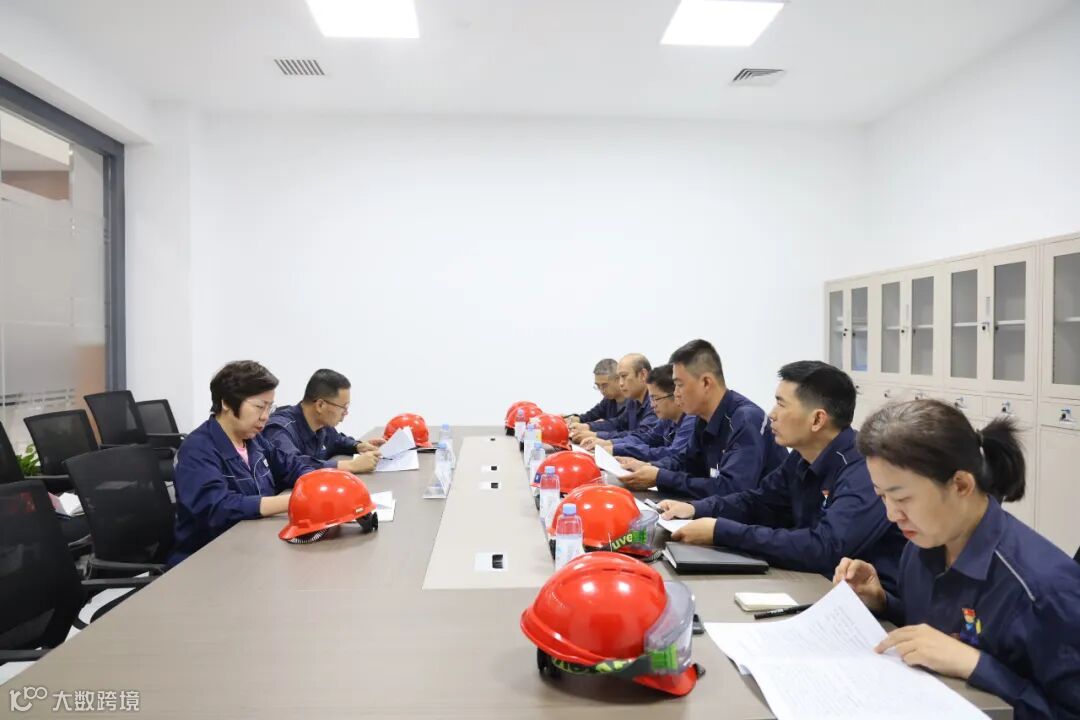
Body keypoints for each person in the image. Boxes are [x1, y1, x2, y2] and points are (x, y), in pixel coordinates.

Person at [834, 399, 1080, 719]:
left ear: (961, 485)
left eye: (903, 498)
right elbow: (931, 628)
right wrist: (882, 602)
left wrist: (975, 664)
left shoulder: (1042, 589)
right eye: (882, 497)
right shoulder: (922, 546)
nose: (892, 514)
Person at [658, 361, 906, 591]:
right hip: (814, 582)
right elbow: (759, 501)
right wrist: (696, 509)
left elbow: (825, 548)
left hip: (868, 605)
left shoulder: (861, 468)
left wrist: (721, 531)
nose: (772, 414)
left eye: (781, 404)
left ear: (817, 419)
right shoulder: (801, 457)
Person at [169, 361, 318, 566]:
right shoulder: (197, 449)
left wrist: (315, 482)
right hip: (205, 560)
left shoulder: (253, 440)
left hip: (250, 547)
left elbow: (290, 465)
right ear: (226, 403)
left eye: (270, 407)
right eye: (259, 407)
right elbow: (218, 508)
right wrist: (293, 501)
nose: (265, 417)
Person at [618, 339, 786, 499]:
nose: (676, 393)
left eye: (679, 385)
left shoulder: (745, 420)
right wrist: (649, 467)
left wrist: (660, 477)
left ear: (706, 382)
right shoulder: (703, 417)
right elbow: (687, 461)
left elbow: (732, 490)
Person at [264, 369, 382, 474]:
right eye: (343, 407)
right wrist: (351, 466)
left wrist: (358, 446)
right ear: (320, 405)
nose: (346, 413)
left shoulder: (321, 425)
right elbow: (293, 465)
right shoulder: (279, 429)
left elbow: (337, 441)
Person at [582, 363, 696, 463]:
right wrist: (611, 444)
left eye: (655, 398)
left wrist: (615, 448)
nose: (652, 404)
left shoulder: (691, 419)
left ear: (676, 394)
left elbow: (672, 454)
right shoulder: (665, 418)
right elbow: (645, 437)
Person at [570, 353, 658, 444]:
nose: (621, 383)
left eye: (624, 376)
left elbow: (641, 436)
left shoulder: (657, 402)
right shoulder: (633, 401)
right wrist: (588, 427)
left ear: (643, 375)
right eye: (619, 377)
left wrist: (599, 437)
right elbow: (617, 424)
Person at [566, 358, 625, 427]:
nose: (602, 390)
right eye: (598, 386)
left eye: (604, 385)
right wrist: (569, 419)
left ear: (618, 379)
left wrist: (589, 427)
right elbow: (589, 416)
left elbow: (616, 425)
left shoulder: (633, 402)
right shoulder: (607, 400)